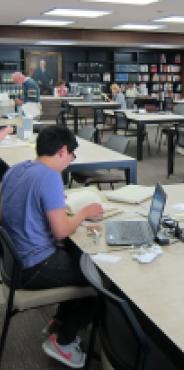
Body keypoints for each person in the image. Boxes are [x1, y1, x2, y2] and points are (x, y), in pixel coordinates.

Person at [0, 125, 103, 368]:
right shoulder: (49, 176)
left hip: (13, 263)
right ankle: (65, 341)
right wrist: (83, 213)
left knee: (76, 258)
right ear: (63, 150)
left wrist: (45, 209)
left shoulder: (16, 170)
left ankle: (59, 322)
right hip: (34, 266)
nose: (71, 161)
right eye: (72, 156)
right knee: (103, 278)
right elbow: (61, 231)